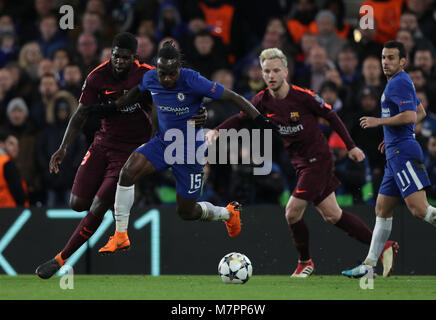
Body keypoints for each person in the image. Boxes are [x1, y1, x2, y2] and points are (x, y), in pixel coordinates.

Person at [206, 47, 398, 278]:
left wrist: (351, 146)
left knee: (291, 213)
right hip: (301, 164)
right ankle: (385, 246)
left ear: (285, 71)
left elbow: (331, 116)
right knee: (333, 215)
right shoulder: (262, 100)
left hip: (318, 160)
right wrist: (217, 131)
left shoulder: (302, 96)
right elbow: (240, 118)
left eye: (276, 70)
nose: (271, 75)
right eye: (267, 71)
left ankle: (305, 262)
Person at [34, 33, 206, 280]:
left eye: (125, 58)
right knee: (77, 204)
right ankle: (113, 204)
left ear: (134, 58)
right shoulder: (96, 76)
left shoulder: (148, 74)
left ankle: (60, 258)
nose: (119, 61)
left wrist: (201, 111)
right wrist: (63, 148)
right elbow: (81, 114)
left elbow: (179, 89)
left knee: (98, 205)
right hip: (102, 144)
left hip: (131, 150)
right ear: (110, 53)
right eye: (116, 56)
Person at [90, 41, 275, 256]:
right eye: (162, 73)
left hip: (189, 150)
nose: (167, 79)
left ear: (179, 68)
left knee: (187, 211)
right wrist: (109, 108)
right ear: (156, 69)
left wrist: (259, 120)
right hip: (163, 142)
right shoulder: (150, 78)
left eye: (171, 73)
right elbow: (134, 94)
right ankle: (120, 235)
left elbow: (233, 97)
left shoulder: (193, 80)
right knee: (127, 172)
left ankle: (227, 213)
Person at [342, 41, 434, 279]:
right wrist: (393, 137)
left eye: (391, 58)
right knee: (382, 209)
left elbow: (412, 115)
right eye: (383, 57)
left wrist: (379, 123)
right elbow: (421, 113)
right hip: (396, 151)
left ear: (403, 61)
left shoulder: (400, 81)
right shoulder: (397, 82)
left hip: (403, 154)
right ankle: (369, 265)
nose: (385, 62)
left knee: (419, 210)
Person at [0, 129, 26, 207]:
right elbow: (17, 189)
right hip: (8, 208)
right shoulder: (7, 163)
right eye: (11, 144)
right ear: (2, 144)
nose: (15, 148)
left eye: (17, 145)